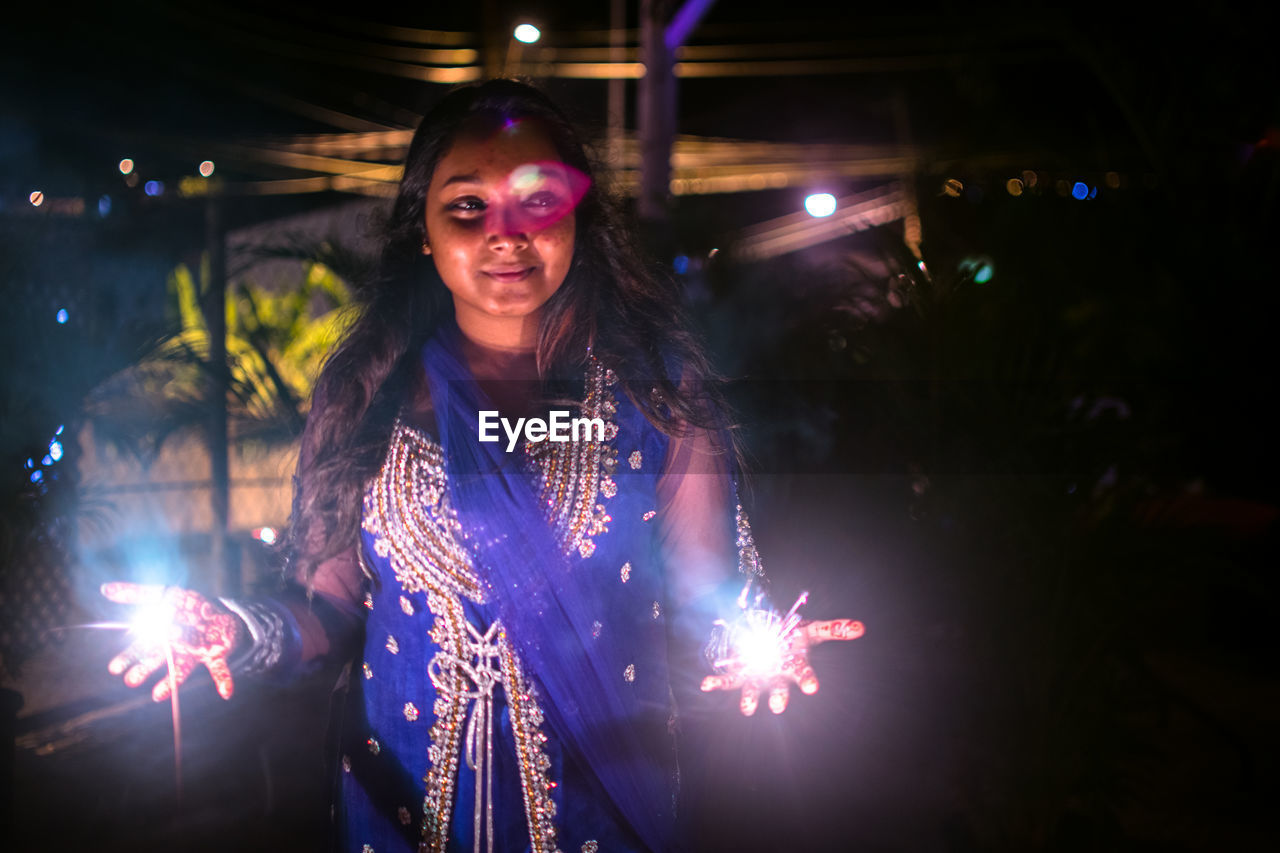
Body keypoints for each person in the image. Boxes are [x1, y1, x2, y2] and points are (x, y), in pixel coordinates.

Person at [102, 79, 863, 853]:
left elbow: (710, 596)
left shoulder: (655, 393)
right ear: (424, 231)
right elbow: (326, 607)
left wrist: (752, 642)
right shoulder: (366, 390)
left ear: (578, 218)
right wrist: (237, 629)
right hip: (397, 817)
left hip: (605, 817)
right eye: (468, 206)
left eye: (539, 201)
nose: (505, 234)